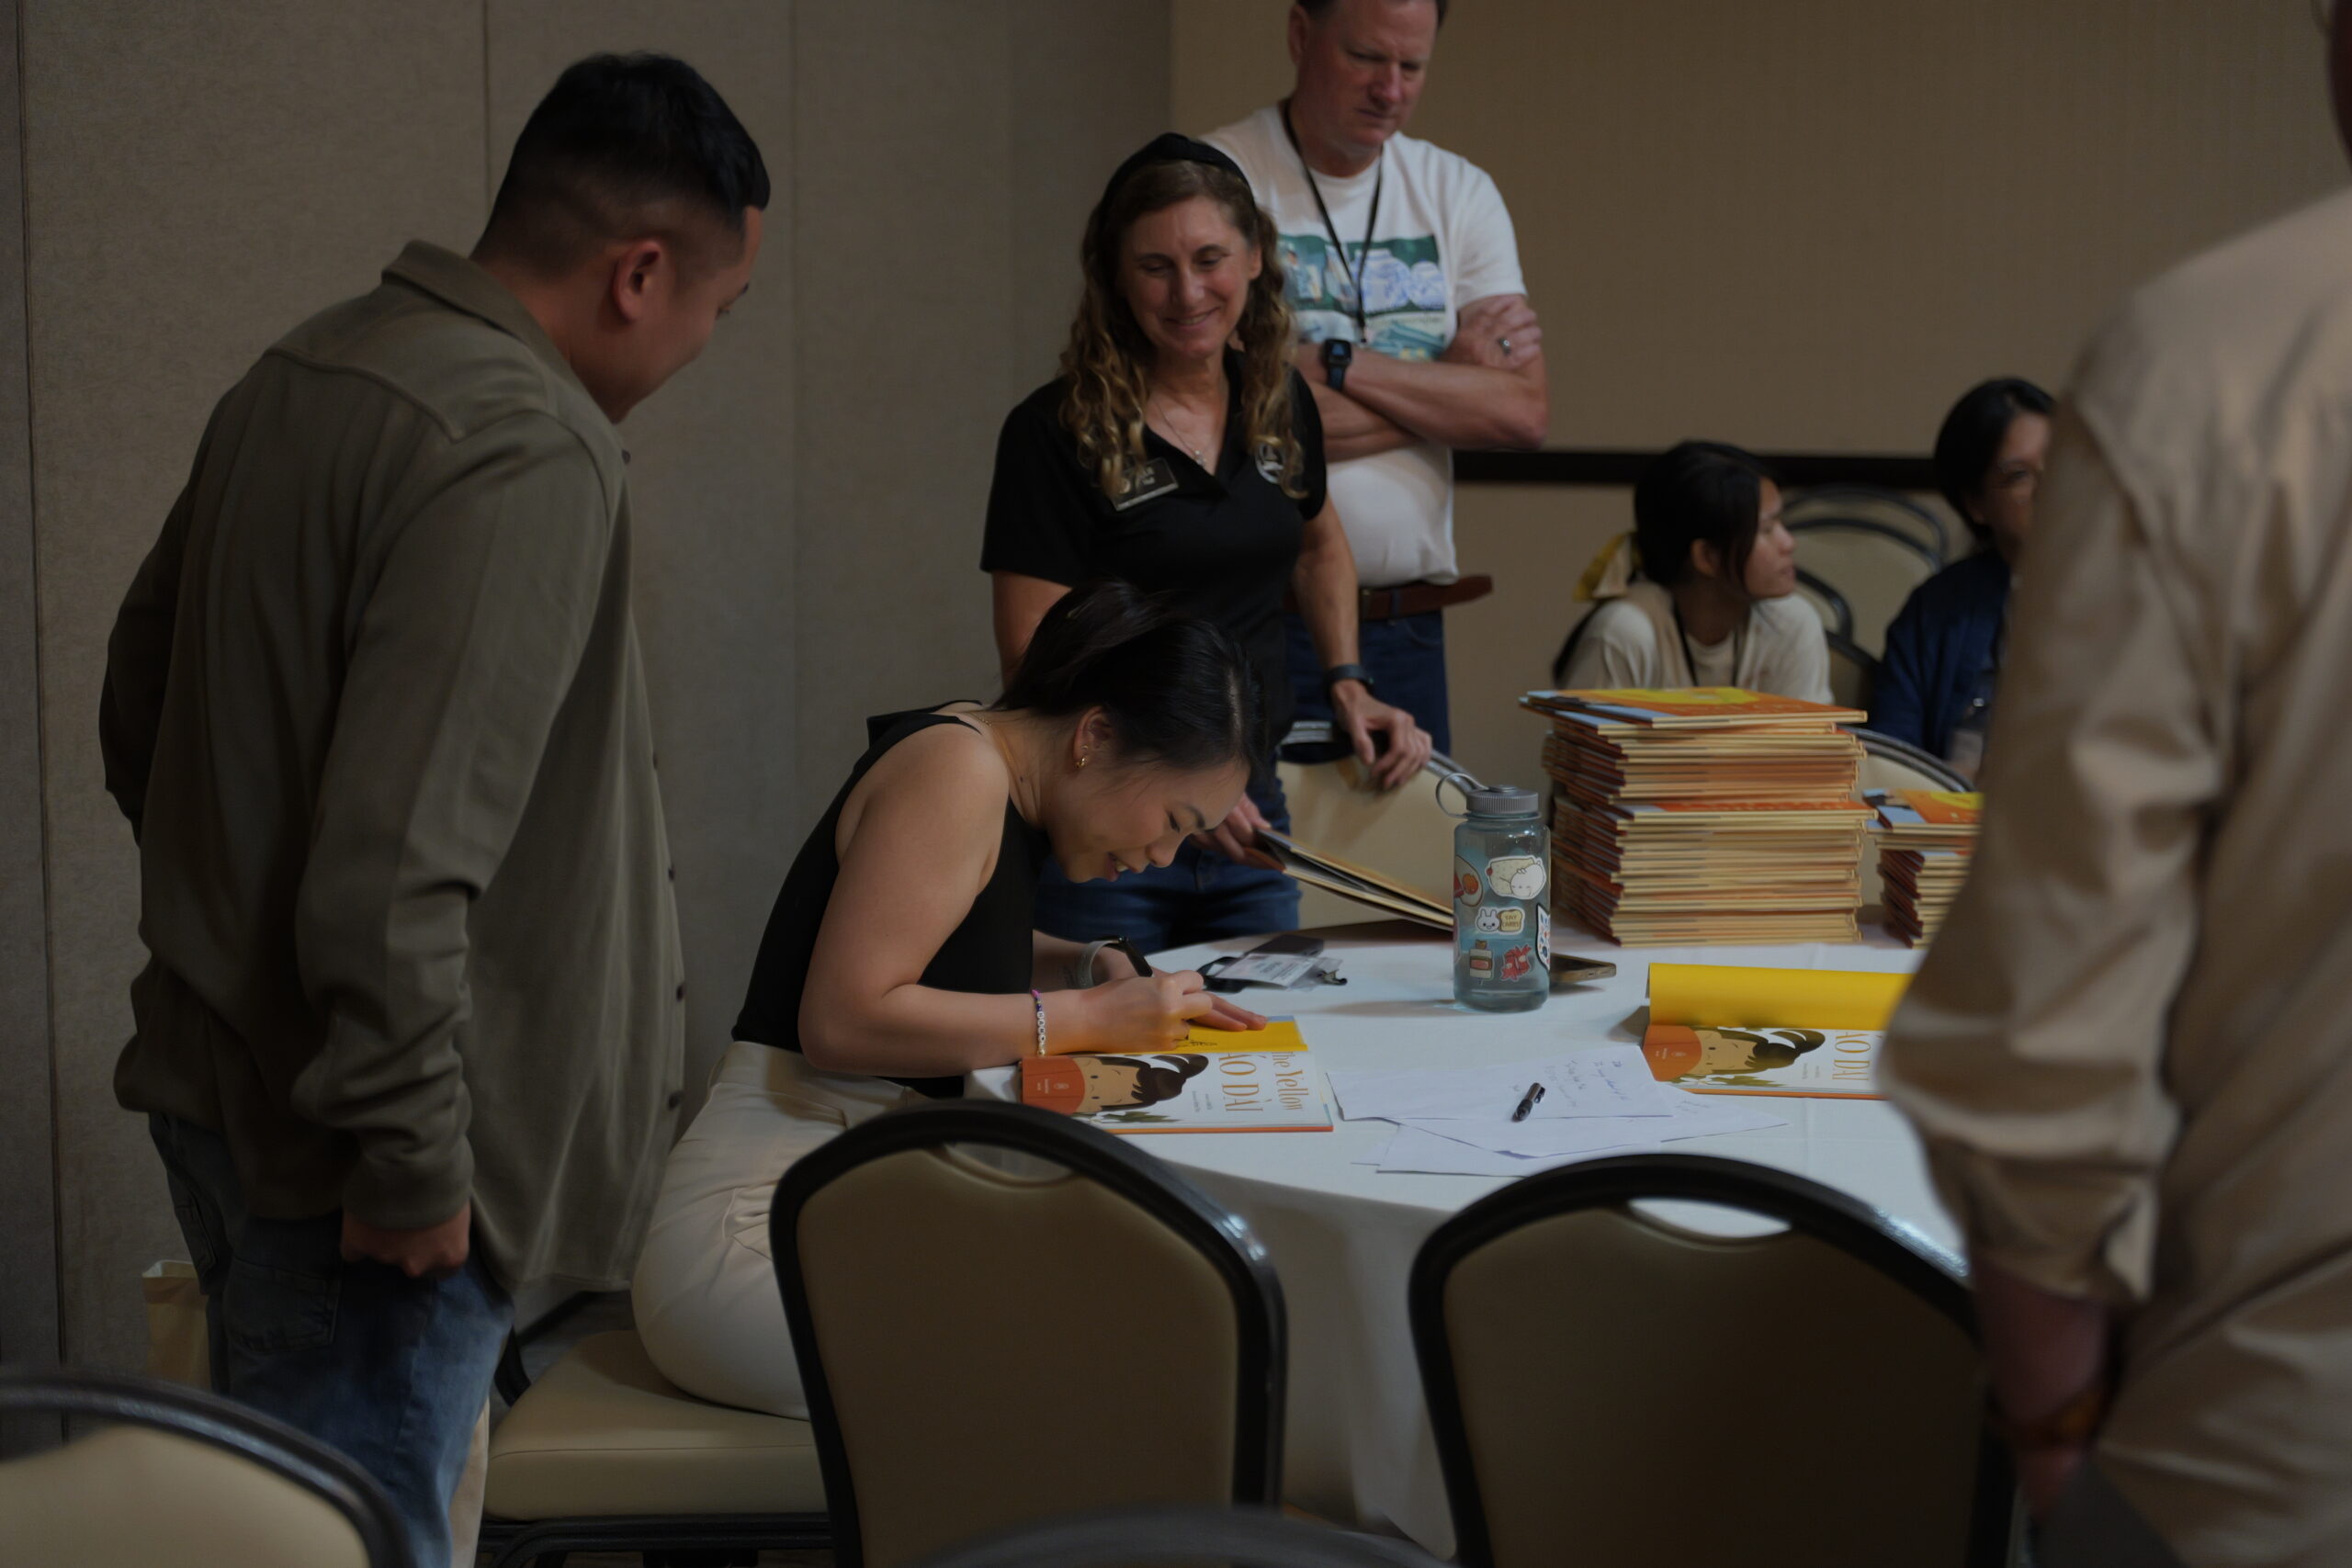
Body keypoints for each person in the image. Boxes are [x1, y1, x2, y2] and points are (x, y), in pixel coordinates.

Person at [98, 54, 764, 1563]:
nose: (705, 341)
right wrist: (407, 1154)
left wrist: (239, 928)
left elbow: (143, 707)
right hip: (374, 1164)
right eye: (720, 308)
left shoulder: (305, 369)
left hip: (229, 1094)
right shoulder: (526, 440)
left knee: (275, 1524)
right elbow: (397, 867)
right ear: (640, 272)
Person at [1883, 9, 2352, 1561]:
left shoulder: (2219, 369)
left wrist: (2061, 1436)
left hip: (2279, 1442)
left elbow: (2046, 1024)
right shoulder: (1945, 612)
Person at [633, 580, 1268, 1417]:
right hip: (756, 1239)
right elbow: (843, 1019)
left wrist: (1088, 967)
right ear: (1095, 735)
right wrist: (1081, 1021)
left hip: (837, 1215)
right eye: (1174, 818)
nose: (1162, 853)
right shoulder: (958, 768)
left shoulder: (985, 762)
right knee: (1114, 1369)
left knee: (1139, 1317)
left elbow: (942, 939)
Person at [983, 133, 1430, 953]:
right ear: (1116, 277)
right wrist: (1181, 777)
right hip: (1109, 822)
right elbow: (1030, 660)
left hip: (1251, 814)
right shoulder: (1054, 432)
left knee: (1261, 1059)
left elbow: (1319, 545)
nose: (1187, 291)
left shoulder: (1279, 401)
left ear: (1256, 257)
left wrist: (1349, 681)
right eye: (1155, 266)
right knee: (1111, 1068)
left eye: (1210, 258)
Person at [1207, 0, 1548, 760]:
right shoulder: (1219, 180)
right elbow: (1232, 414)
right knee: (1260, 874)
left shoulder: (1459, 193)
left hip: (1408, 628)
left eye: (1412, 66)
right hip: (1253, 617)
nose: (1390, 88)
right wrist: (1449, 387)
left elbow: (1522, 410)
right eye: (1366, 58)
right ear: (1301, 35)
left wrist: (1331, 363)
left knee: (1407, 875)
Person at [1550, 441, 1830, 702]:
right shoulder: (1624, 634)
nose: (1789, 543)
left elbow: (1807, 752)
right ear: (1707, 557)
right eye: (1766, 530)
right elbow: (1586, 753)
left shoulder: (1792, 624)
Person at [1870, 378, 2054, 770]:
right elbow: (1890, 755)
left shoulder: (2130, 595)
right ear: (1976, 504)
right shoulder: (1936, 610)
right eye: (2019, 475)